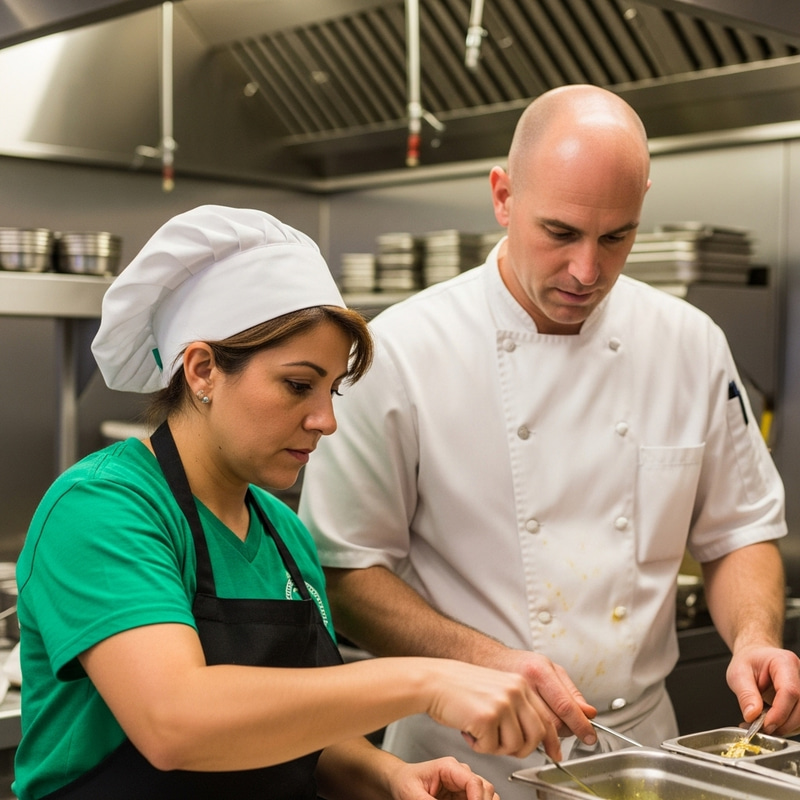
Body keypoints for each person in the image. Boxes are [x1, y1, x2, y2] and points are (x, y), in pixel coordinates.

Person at [298, 85, 800, 795]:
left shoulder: (689, 342)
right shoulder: (402, 352)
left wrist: (755, 638)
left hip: (641, 751)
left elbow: (737, 530)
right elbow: (347, 574)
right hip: (459, 760)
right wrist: (486, 660)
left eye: (616, 236)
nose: (587, 271)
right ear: (503, 196)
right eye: (560, 232)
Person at [13, 205, 560, 800]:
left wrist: (391, 776)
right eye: (299, 385)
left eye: (332, 390)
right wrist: (427, 680)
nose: (325, 420)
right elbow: (173, 721)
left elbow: (306, 733)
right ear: (202, 370)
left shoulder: (282, 533)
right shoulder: (104, 508)